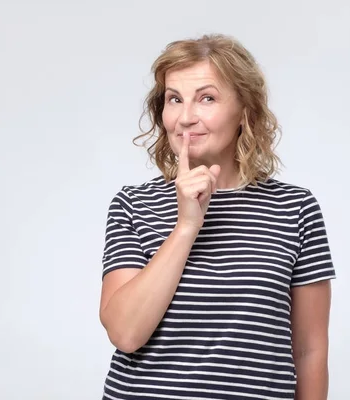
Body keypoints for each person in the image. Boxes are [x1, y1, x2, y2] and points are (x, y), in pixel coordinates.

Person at [99, 33, 336, 400]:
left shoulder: (295, 209)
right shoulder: (134, 204)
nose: (186, 117)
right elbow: (126, 334)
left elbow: (309, 351)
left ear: (245, 110)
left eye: (207, 98)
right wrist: (186, 226)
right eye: (174, 99)